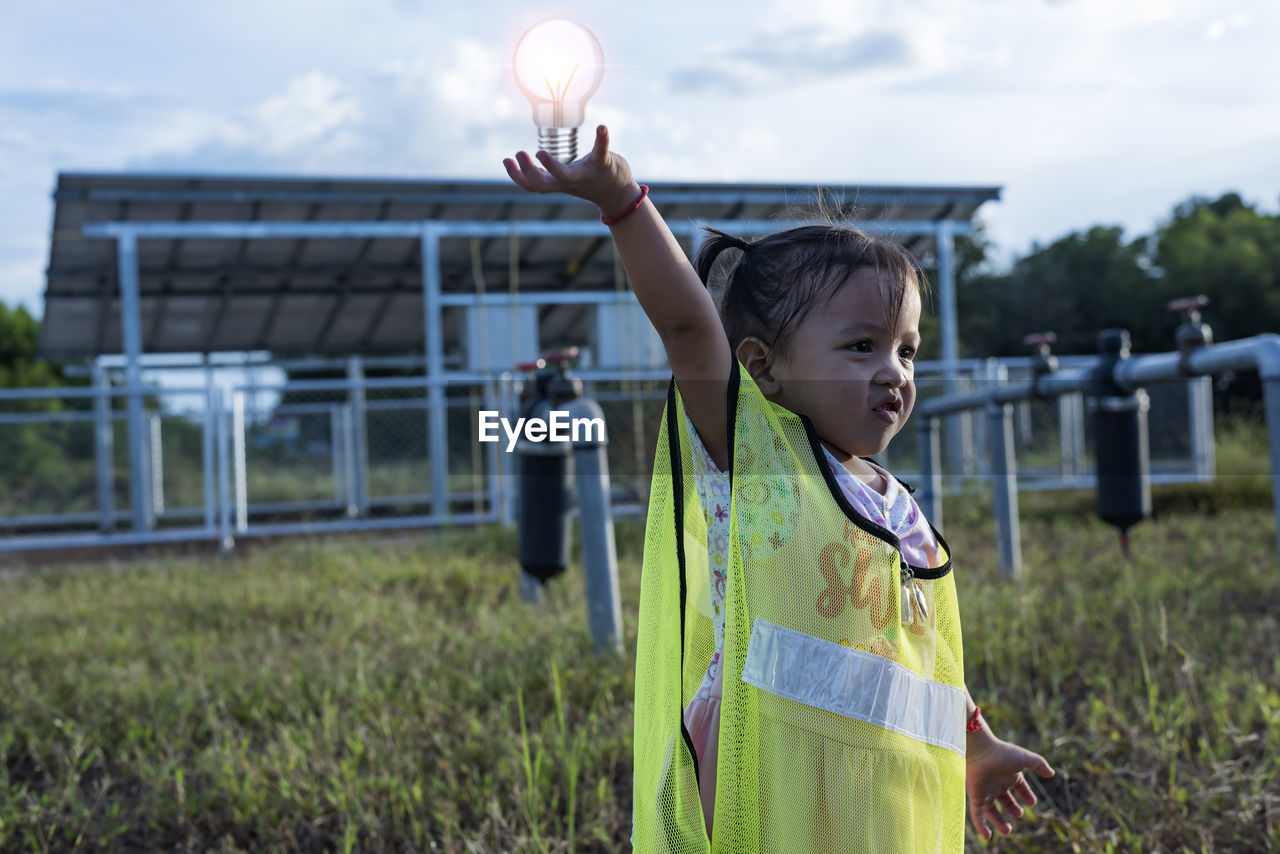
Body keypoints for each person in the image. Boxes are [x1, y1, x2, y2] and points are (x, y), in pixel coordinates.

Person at [503, 125, 1055, 852]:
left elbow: (921, 649)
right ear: (762, 368)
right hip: (761, 756)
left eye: (907, 350)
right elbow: (687, 325)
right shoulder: (759, 464)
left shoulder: (899, 506)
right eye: (862, 346)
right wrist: (622, 201)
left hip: (869, 775)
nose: (893, 370)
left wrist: (976, 742)